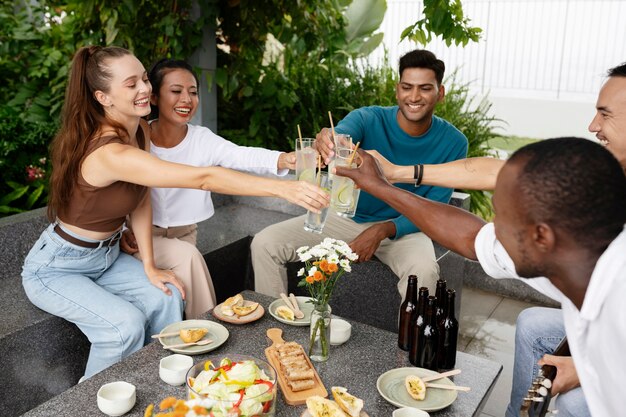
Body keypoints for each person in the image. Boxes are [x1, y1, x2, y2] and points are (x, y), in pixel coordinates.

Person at [21, 46, 328, 379]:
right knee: (125, 327)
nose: (143, 89)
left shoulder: (138, 131)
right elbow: (202, 177)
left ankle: (161, 382)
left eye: (143, 79)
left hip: (106, 257)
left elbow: (139, 199)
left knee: (167, 296)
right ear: (103, 97)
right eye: (131, 84)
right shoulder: (109, 151)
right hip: (58, 267)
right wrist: (283, 187)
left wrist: (151, 266)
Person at [363, 62, 626, 416]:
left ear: (545, 237)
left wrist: (589, 367)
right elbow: (478, 231)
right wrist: (390, 178)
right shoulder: (594, 195)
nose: (593, 125)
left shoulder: (610, 279)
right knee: (536, 327)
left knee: (578, 403)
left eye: (605, 114)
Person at [251, 49, 468, 299]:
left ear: (440, 93)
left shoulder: (454, 142)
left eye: (425, 88)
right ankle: (275, 332)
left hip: (405, 227)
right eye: (407, 87)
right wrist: (329, 140)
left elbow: (433, 208)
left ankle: (407, 340)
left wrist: (381, 230)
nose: (414, 96)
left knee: (425, 273)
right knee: (265, 244)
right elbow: (341, 135)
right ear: (397, 90)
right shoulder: (368, 117)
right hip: (345, 216)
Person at [120, 59, 297, 318]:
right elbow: (113, 188)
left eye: (193, 92)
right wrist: (121, 229)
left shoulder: (201, 139)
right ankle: (212, 327)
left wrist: (284, 159)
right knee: (189, 261)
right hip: (142, 238)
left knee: (180, 282)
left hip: (185, 234)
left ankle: (198, 335)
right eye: (176, 91)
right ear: (154, 97)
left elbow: (241, 155)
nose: (187, 99)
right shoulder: (136, 136)